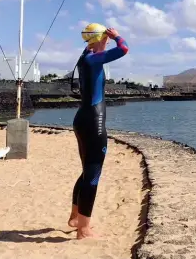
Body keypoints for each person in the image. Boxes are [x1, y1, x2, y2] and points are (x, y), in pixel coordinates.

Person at [67, 23, 129, 239]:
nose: (108, 40)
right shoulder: (93, 59)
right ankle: (84, 230)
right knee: (92, 176)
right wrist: (118, 36)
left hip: (82, 119)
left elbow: (94, 46)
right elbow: (124, 49)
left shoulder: (86, 56)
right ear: (98, 38)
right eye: (106, 37)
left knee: (86, 171)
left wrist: (99, 39)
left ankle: (75, 217)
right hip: (93, 123)